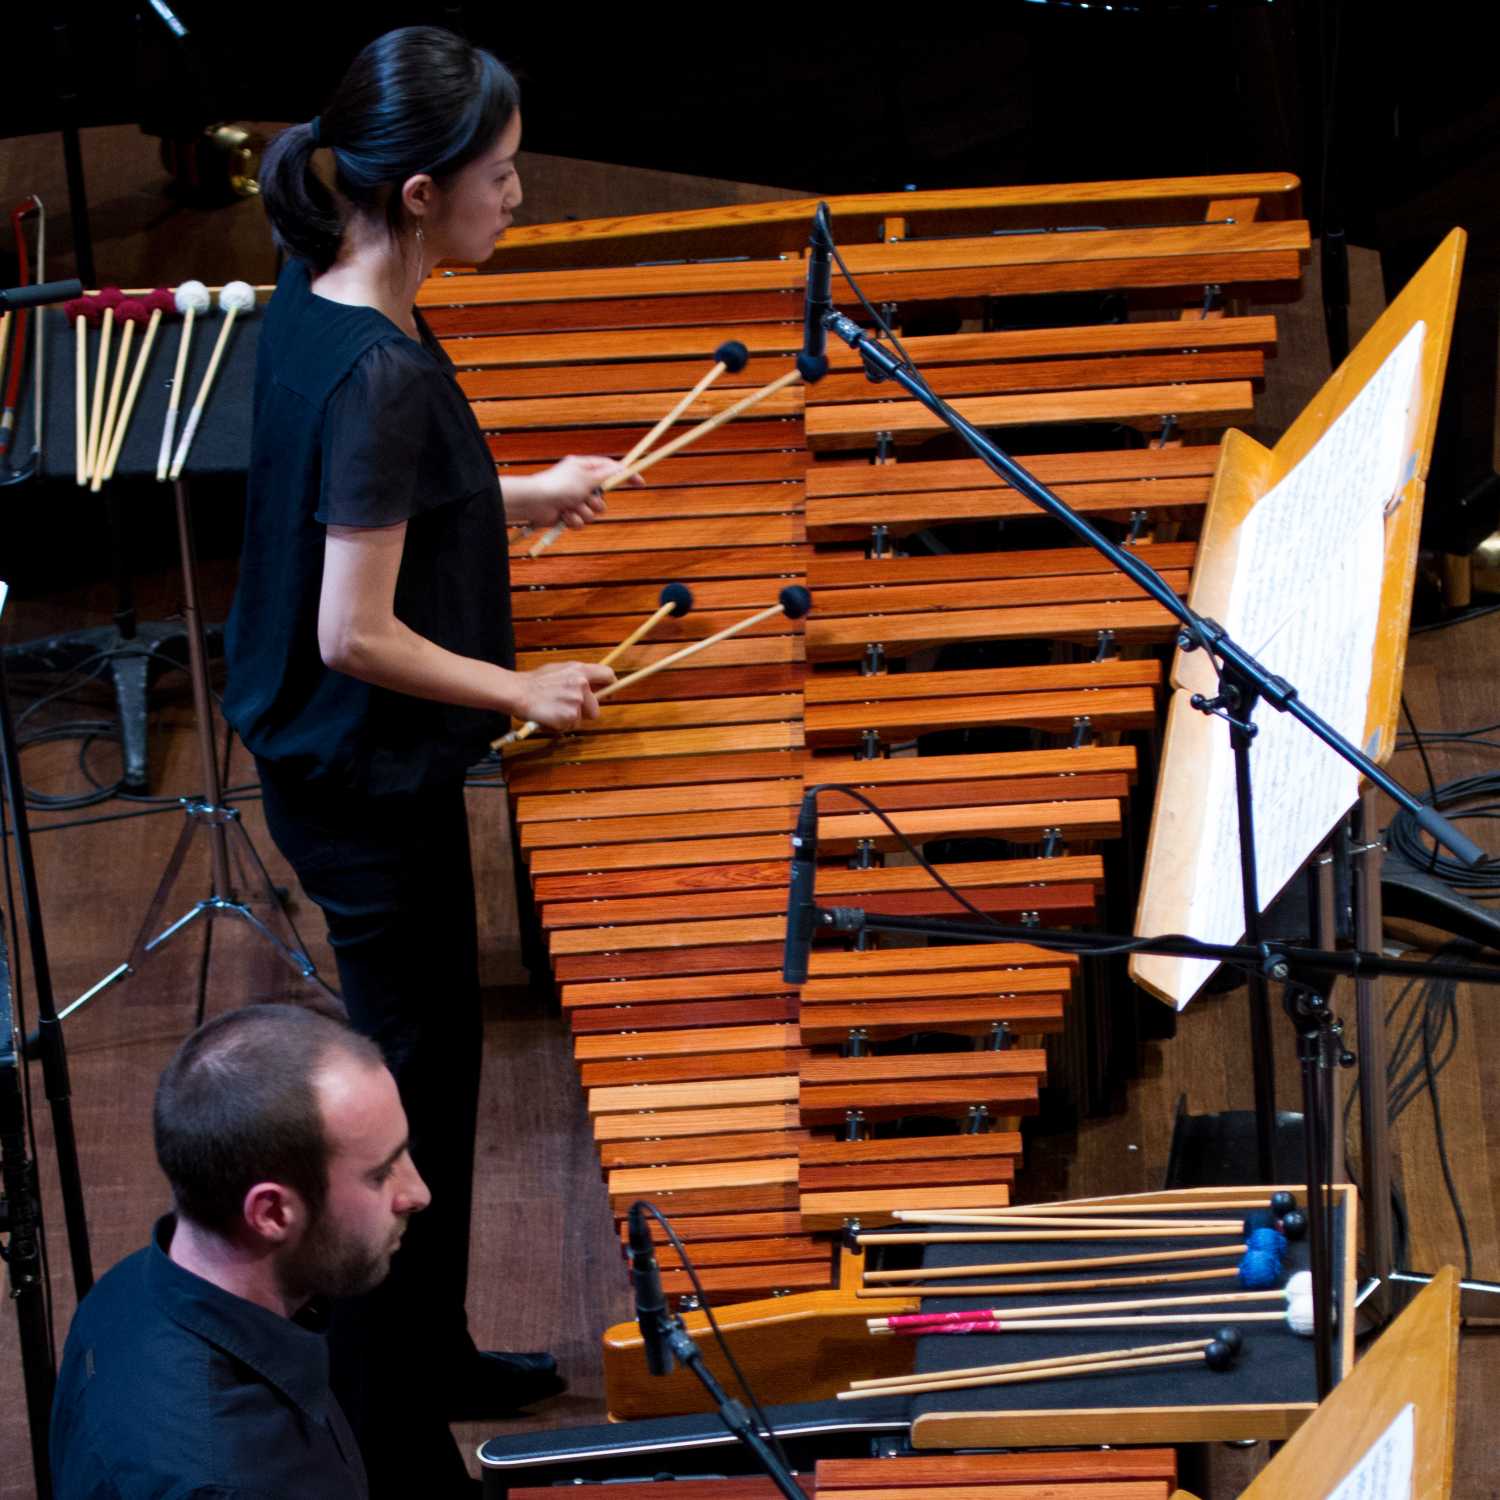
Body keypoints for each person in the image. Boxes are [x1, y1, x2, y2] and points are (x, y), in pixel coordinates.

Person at [220, 24, 631, 1493]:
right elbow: (355, 629)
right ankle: (387, 1435)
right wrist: (521, 685)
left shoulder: (332, 293)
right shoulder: (380, 370)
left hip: (353, 766)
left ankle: (436, 1348)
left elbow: (368, 497)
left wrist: (518, 498)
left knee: (441, 1075)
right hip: (357, 776)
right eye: (503, 177)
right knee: (402, 1108)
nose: (519, 196)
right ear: (415, 194)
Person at [49, 1003, 428, 1499]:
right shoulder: (238, 1482)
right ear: (270, 1214)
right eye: (381, 1174)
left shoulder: (129, 1284)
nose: (418, 1193)